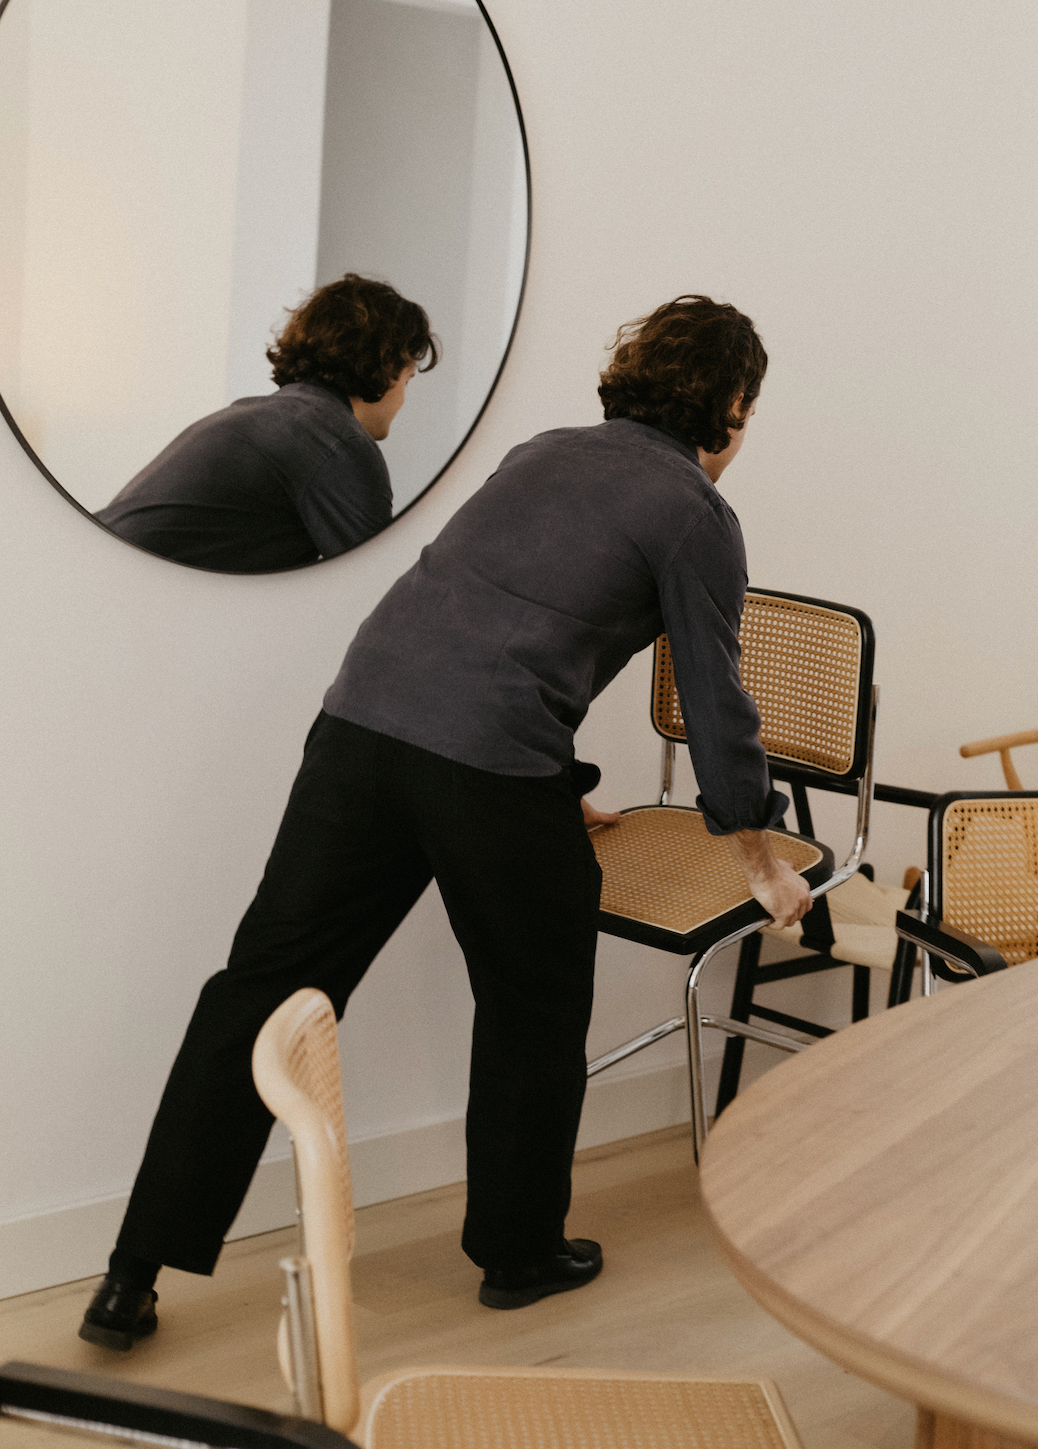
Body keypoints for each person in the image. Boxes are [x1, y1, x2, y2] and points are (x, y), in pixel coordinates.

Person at [79, 293, 813, 1352]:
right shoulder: (695, 511)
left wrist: (554, 783)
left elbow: (481, 620)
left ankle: (130, 1274)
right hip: (484, 768)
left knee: (264, 988)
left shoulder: (542, 452)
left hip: (361, 730)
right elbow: (716, 699)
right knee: (534, 998)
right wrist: (760, 858)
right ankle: (519, 1252)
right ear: (733, 406)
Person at [96, 274, 438, 573]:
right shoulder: (335, 441)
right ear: (387, 367)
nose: (403, 400)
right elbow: (380, 589)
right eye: (408, 380)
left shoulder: (258, 417)